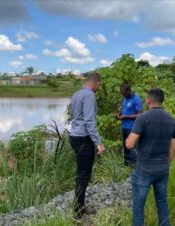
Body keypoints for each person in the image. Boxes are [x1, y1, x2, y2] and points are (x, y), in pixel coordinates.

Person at [126, 88, 175, 226]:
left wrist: (128, 137)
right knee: (162, 203)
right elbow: (173, 148)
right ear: (161, 101)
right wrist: (167, 164)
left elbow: (130, 144)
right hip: (163, 170)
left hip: (145, 170)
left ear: (148, 101)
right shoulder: (172, 120)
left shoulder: (142, 118)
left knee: (138, 206)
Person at [69, 73, 106, 221]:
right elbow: (89, 121)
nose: (99, 87)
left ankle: (81, 205)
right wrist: (99, 143)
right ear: (96, 83)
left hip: (74, 137)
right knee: (83, 175)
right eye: (100, 85)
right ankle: (77, 215)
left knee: (81, 173)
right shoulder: (89, 95)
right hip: (84, 139)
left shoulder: (77, 94)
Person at [115, 84, 143, 168]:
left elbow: (140, 115)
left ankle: (134, 168)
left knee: (133, 148)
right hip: (124, 127)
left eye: (124, 93)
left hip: (133, 128)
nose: (123, 95)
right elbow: (124, 109)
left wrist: (125, 117)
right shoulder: (125, 97)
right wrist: (119, 114)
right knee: (126, 147)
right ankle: (126, 167)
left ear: (128, 91)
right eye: (121, 94)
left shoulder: (136, 99)